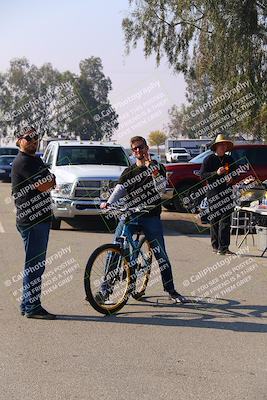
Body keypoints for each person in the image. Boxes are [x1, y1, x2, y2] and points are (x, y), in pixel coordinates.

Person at [100, 136, 187, 303]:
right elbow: (120, 190)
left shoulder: (157, 167)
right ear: (132, 152)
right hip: (130, 214)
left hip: (150, 216)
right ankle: (105, 289)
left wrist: (153, 172)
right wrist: (108, 203)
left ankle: (171, 290)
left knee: (160, 253)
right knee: (115, 248)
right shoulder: (129, 171)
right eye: (134, 149)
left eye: (140, 147)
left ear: (147, 148)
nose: (138, 151)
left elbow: (161, 190)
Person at [11, 127, 56, 319]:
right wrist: (49, 180)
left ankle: (26, 304)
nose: (33, 141)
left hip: (40, 219)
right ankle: (32, 306)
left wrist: (50, 180)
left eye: (36, 138)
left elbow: (51, 181)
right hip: (32, 220)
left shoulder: (35, 160)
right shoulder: (23, 162)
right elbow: (46, 184)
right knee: (35, 265)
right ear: (19, 140)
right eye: (28, 138)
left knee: (35, 264)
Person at [200, 134, 235, 255]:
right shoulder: (209, 159)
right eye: (221, 145)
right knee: (215, 220)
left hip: (227, 193)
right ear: (216, 147)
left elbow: (236, 171)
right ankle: (215, 246)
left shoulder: (229, 159)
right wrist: (216, 173)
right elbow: (202, 175)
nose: (224, 147)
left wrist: (232, 178)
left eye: (225, 145)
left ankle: (224, 247)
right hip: (213, 194)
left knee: (226, 220)